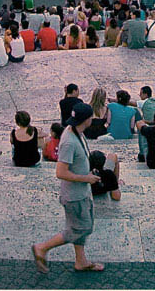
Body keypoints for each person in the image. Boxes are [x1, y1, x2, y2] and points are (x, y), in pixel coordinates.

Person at [32, 103, 104, 273]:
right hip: (74, 196)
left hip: (81, 192)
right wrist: (85, 178)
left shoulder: (76, 132)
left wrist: (88, 171)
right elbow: (60, 172)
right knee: (81, 228)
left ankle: (81, 261)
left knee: (80, 227)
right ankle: (42, 248)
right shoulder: (69, 141)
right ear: (87, 120)